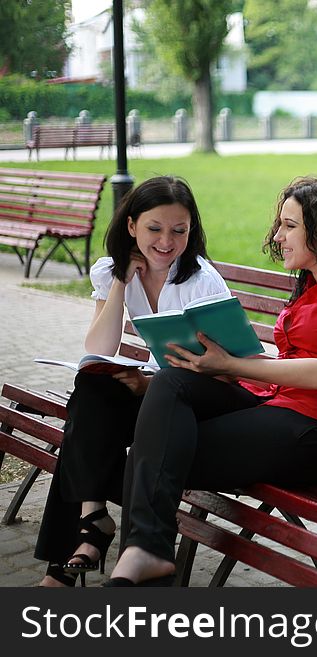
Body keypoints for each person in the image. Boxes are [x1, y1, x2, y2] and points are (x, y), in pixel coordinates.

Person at [104, 176, 317, 586]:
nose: (278, 236)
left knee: (150, 455)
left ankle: (144, 567)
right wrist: (217, 364)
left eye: (290, 225)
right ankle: (147, 559)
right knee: (171, 385)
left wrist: (234, 366)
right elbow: (282, 367)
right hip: (275, 408)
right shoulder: (309, 288)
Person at [36, 176, 230, 587]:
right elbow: (99, 346)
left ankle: (78, 547)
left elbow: (220, 368)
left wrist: (150, 383)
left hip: (202, 397)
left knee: (85, 423)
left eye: (179, 230)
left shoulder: (201, 281)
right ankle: (90, 524)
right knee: (91, 391)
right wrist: (122, 284)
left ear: (191, 230)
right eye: (154, 229)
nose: (166, 241)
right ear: (131, 227)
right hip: (161, 389)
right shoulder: (114, 272)